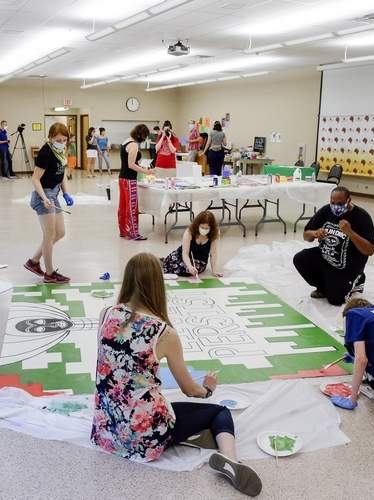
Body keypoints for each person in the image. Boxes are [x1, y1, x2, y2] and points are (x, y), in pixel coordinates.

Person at [91, 253, 262, 497]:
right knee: (219, 412)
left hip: (106, 428)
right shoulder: (164, 332)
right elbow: (190, 390)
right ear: (158, 285)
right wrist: (209, 389)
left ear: (127, 280)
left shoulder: (106, 314)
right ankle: (230, 458)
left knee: (157, 404)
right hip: (145, 434)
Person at [293, 186, 374, 306]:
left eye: (340, 203)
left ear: (349, 200)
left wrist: (351, 233)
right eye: (333, 203)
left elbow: (370, 250)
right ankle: (322, 287)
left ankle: (357, 280)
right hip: (326, 257)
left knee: (336, 300)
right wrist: (315, 233)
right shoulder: (326, 211)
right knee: (300, 258)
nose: (336, 206)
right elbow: (306, 235)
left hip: (348, 266)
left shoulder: (362, 217)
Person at [24, 123, 74, 283]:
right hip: (43, 195)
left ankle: (33, 262)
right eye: (58, 139)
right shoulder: (46, 152)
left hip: (54, 193)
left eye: (64, 139)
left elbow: (61, 174)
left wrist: (66, 193)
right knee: (49, 235)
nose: (62, 142)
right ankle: (50, 273)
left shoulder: (60, 152)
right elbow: (35, 178)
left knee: (60, 233)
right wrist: (44, 197)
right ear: (51, 138)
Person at [162, 210, 223, 278]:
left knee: (191, 270)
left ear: (211, 228)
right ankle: (162, 261)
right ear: (198, 225)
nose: (204, 230)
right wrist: (189, 266)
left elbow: (213, 253)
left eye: (207, 228)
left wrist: (214, 271)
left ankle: (163, 262)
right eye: (202, 227)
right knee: (170, 263)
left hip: (199, 261)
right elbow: (185, 253)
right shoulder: (190, 231)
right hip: (183, 256)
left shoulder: (215, 232)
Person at [118, 124, 153, 241]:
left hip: (122, 178)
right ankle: (134, 233)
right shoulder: (133, 145)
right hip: (129, 179)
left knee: (123, 206)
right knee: (132, 207)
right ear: (141, 135)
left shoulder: (126, 141)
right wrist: (145, 171)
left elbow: (129, 162)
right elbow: (131, 165)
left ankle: (123, 230)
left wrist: (141, 167)